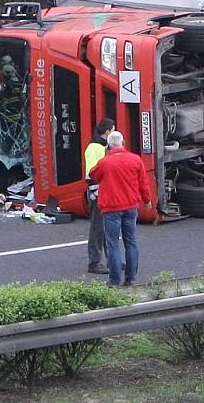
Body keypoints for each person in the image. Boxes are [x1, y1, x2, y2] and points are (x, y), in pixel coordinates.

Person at [89, 131, 152, 287]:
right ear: (123, 142)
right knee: (131, 242)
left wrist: (105, 155)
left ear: (109, 145)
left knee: (113, 243)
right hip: (130, 206)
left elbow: (93, 175)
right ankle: (131, 278)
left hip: (111, 207)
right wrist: (147, 200)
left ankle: (114, 280)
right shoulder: (135, 160)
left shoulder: (105, 162)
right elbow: (143, 183)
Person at [84, 118, 115, 275]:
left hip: (102, 192)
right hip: (98, 193)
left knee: (105, 227)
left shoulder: (101, 147)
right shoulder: (95, 148)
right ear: (108, 131)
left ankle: (111, 260)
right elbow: (91, 173)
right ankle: (94, 262)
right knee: (98, 228)